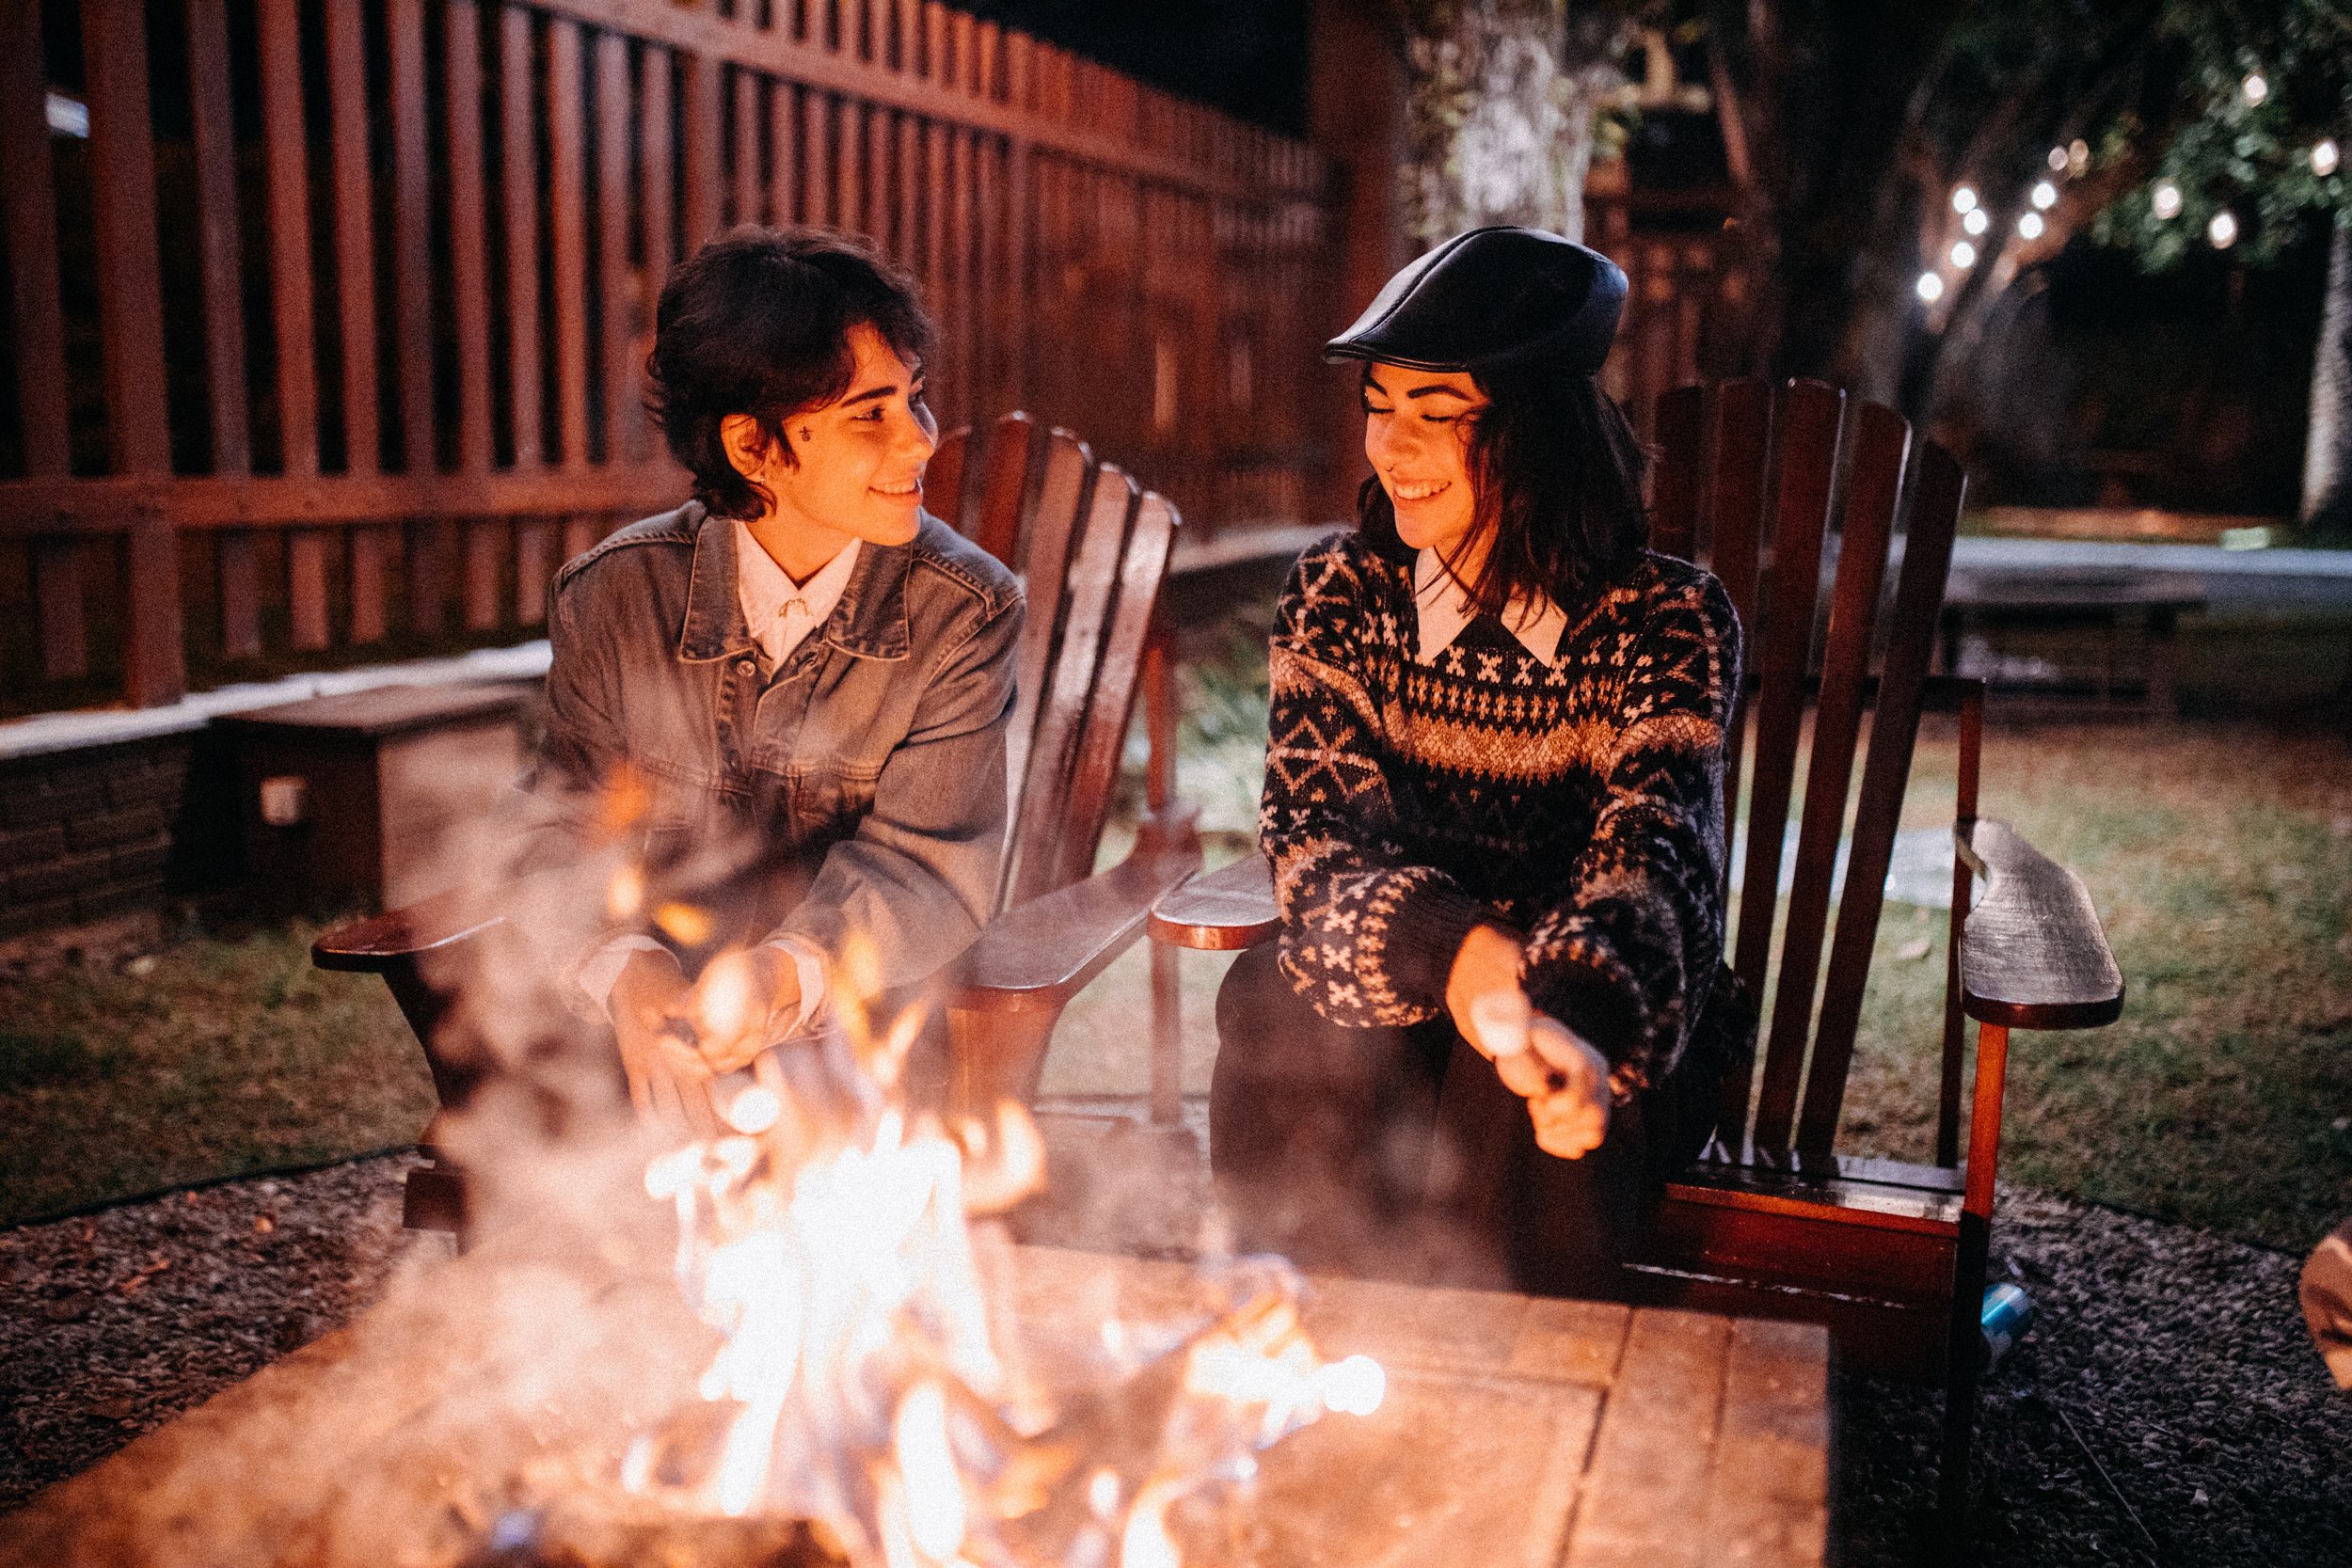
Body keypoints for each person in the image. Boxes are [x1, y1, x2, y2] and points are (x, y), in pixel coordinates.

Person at [1210, 226, 1750, 1298]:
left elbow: (1658, 857)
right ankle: (1287, 1340)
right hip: (1403, 992)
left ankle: (1509, 1377)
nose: (1391, 448)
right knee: (1278, 1005)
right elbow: (1313, 844)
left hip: (1596, 1017)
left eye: (1436, 413)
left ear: (1537, 430)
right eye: (1380, 407)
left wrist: (1563, 1013)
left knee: (1513, 1070)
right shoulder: (1339, 593)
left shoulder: (1667, 618)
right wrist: (1457, 952)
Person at [530, 227, 1022, 1130]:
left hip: (864, 1051)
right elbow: (557, 830)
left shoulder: (964, 610)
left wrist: (781, 975)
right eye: (869, 415)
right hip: (641, 1059)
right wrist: (627, 968)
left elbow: (929, 868)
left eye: (914, 399)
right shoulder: (613, 597)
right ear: (753, 447)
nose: (919, 442)